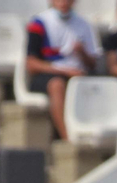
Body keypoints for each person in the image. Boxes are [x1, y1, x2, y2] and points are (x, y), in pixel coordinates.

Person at [26, 0, 100, 142]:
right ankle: (67, 139)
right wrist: (65, 71)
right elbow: (31, 64)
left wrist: (82, 52)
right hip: (48, 75)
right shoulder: (39, 23)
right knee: (57, 85)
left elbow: (93, 64)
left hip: (79, 75)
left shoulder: (85, 24)